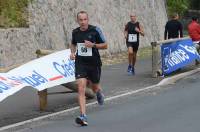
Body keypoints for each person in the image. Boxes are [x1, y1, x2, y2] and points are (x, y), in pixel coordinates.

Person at [70, 11, 107, 126]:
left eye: (85, 19)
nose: (83, 22)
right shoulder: (75, 32)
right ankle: (83, 116)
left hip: (94, 64)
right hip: (80, 64)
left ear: (88, 19)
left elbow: (105, 45)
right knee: (81, 88)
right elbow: (73, 44)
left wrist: (93, 45)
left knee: (94, 86)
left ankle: (99, 92)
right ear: (78, 21)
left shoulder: (95, 30)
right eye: (80, 20)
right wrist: (72, 53)